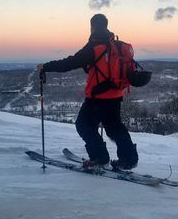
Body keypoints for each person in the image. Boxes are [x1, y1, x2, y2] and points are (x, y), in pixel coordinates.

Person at [37, 14, 138, 169]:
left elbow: (70, 63)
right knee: (114, 128)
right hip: (116, 95)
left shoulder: (94, 46)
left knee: (83, 126)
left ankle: (99, 158)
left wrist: (46, 67)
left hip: (97, 98)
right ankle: (129, 159)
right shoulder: (116, 46)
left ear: (92, 27)